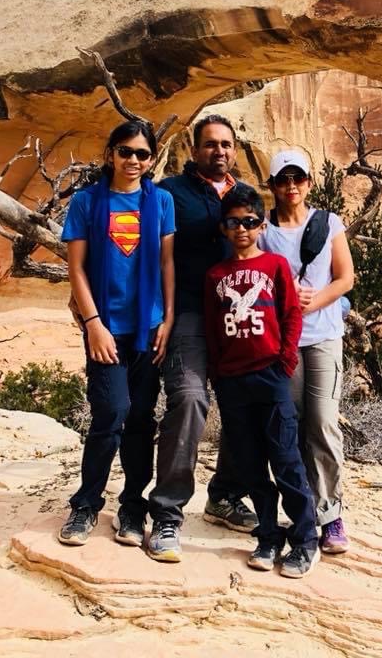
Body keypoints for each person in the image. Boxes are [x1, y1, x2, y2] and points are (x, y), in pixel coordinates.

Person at [58, 120, 175, 547]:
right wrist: (93, 325)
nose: (133, 161)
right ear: (111, 153)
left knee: (142, 419)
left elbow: (167, 264)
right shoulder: (88, 202)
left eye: (142, 154)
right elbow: (76, 268)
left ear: (151, 159)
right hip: (106, 327)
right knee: (111, 411)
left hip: (147, 328)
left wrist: (168, 320)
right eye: (126, 151)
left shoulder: (160, 201)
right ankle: (86, 504)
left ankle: (131, 506)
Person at [146, 114, 257, 562]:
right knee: (190, 399)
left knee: (247, 404)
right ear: (193, 150)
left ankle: (225, 495)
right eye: (210, 144)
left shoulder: (242, 195)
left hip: (237, 313)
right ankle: (168, 513)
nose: (220, 152)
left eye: (227, 145)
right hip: (189, 312)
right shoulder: (170, 193)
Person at [205, 185, 320, 578]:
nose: (242, 229)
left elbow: (290, 315)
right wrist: (218, 376)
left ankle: (305, 538)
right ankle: (268, 533)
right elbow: (211, 329)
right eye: (234, 222)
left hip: (270, 376)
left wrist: (285, 362)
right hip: (233, 383)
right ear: (224, 227)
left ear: (261, 224)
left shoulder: (274, 266)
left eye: (250, 221)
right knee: (251, 465)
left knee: (286, 460)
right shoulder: (216, 275)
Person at [260, 149, 354, 554]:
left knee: (323, 422)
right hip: (283, 342)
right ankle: (303, 511)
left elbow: (345, 277)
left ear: (309, 183)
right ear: (273, 186)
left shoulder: (328, 222)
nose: (291, 186)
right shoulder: (262, 230)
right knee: (292, 427)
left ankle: (331, 515)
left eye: (298, 178)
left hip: (323, 336)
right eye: (283, 179)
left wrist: (310, 303)